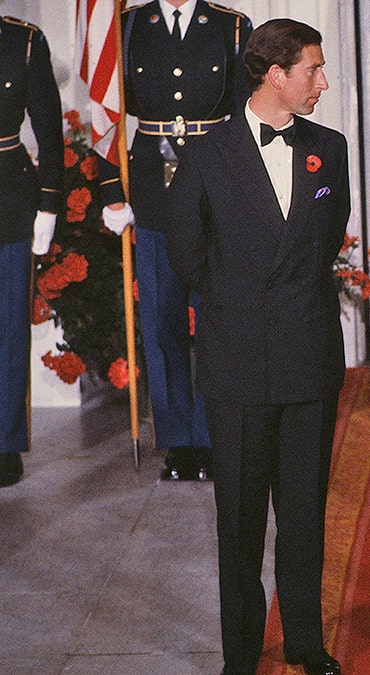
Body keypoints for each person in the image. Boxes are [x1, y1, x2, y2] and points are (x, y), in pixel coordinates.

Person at [164, 18, 347, 675]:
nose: (322, 82)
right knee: (239, 524)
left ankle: (306, 641)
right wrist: (243, 303)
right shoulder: (206, 155)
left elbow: (327, 240)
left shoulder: (331, 147)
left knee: (303, 518)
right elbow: (185, 253)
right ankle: (241, 652)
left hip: (308, 360)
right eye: (312, 71)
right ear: (276, 74)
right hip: (237, 363)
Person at [98, 0, 252, 482]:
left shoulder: (231, 26)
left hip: (214, 182)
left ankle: (216, 434)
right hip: (151, 187)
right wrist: (110, 190)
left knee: (217, 318)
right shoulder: (125, 27)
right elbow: (107, 113)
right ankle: (179, 441)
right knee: (162, 319)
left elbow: (245, 113)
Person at [0, 16, 62, 487]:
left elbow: (49, 128)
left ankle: (4, 443)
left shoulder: (23, 40)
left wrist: (49, 206)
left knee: (8, 325)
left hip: (8, 196)